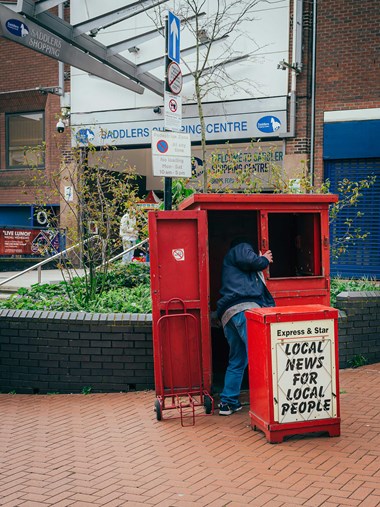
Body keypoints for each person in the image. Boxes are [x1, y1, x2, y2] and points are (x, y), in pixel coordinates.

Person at [216, 237, 275, 416]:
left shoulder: (231, 262)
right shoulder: (241, 247)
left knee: (237, 360)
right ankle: (266, 405)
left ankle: (228, 402)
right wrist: (264, 259)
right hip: (245, 310)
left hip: (229, 315)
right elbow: (250, 260)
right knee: (259, 356)